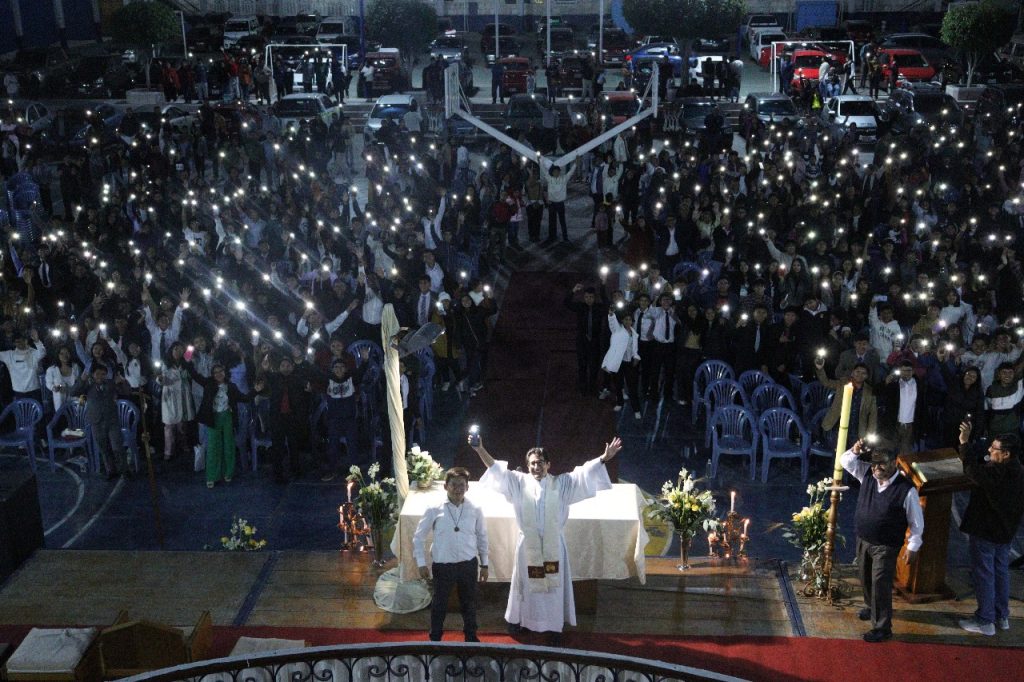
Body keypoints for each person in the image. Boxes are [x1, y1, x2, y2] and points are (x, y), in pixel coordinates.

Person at [470, 434, 623, 642]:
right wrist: (480, 449)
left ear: (548, 464)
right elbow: (496, 468)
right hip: (528, 546)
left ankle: (553, 626)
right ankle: (521, 621)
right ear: (527, 466)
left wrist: (604, 458)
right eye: (533, 463)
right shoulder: (518, 483)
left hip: (553, 547)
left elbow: (584, 473)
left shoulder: (562, 484)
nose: (537, 467)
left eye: (541, 462)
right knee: (526, 585)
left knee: (553, 588)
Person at [842, 438, 924, 643]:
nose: (876, 468)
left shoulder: (906, 490)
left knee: (880, 583)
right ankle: (871, 608)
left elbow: (916, 522)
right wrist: (855, 450)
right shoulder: (867, 475)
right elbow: (846, 462)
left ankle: (882, 627)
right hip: (864, 539)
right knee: (865, 577)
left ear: (894, 462)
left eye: (882, 464)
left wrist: (913, 546)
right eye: (874, 463)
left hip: (886, 545)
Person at [955, 422, 1024, 635]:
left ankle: (985, 620)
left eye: (994, 448)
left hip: (986, 530)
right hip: (1006, 531)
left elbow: (972, 471)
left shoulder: (997, 473)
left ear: (1006, 454)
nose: (989, 450)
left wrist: (964, 444)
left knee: (984, 573)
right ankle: (1001, 616)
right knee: (1000, 572)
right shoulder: (1020, 471)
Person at [412, 467, 489, 642]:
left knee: (469, 603)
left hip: (468, 564)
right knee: (439, 603)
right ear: (445, 486)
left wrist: (484, 564)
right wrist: (421, 563)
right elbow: (418, 537)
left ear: (467, 487)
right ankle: (435, 638)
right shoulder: (434, 508)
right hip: (443, 565)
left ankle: (471, 637)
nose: (458, 489)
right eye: (454, 485)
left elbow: (482, 537)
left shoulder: (475, 509)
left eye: (462, 485)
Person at [71, 364, 130, 480]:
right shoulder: (88, 385)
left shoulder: (111, 383)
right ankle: (111, 470)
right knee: (104, 448)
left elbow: (127, 391)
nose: (100, 376)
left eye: (103, 374)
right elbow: (73, 392)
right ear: (92, 375)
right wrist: (82, 380)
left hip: (112, 420)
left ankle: (124, 470)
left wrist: (123, 381)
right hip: (96, 421)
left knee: (117, 446)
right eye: (97, 374)